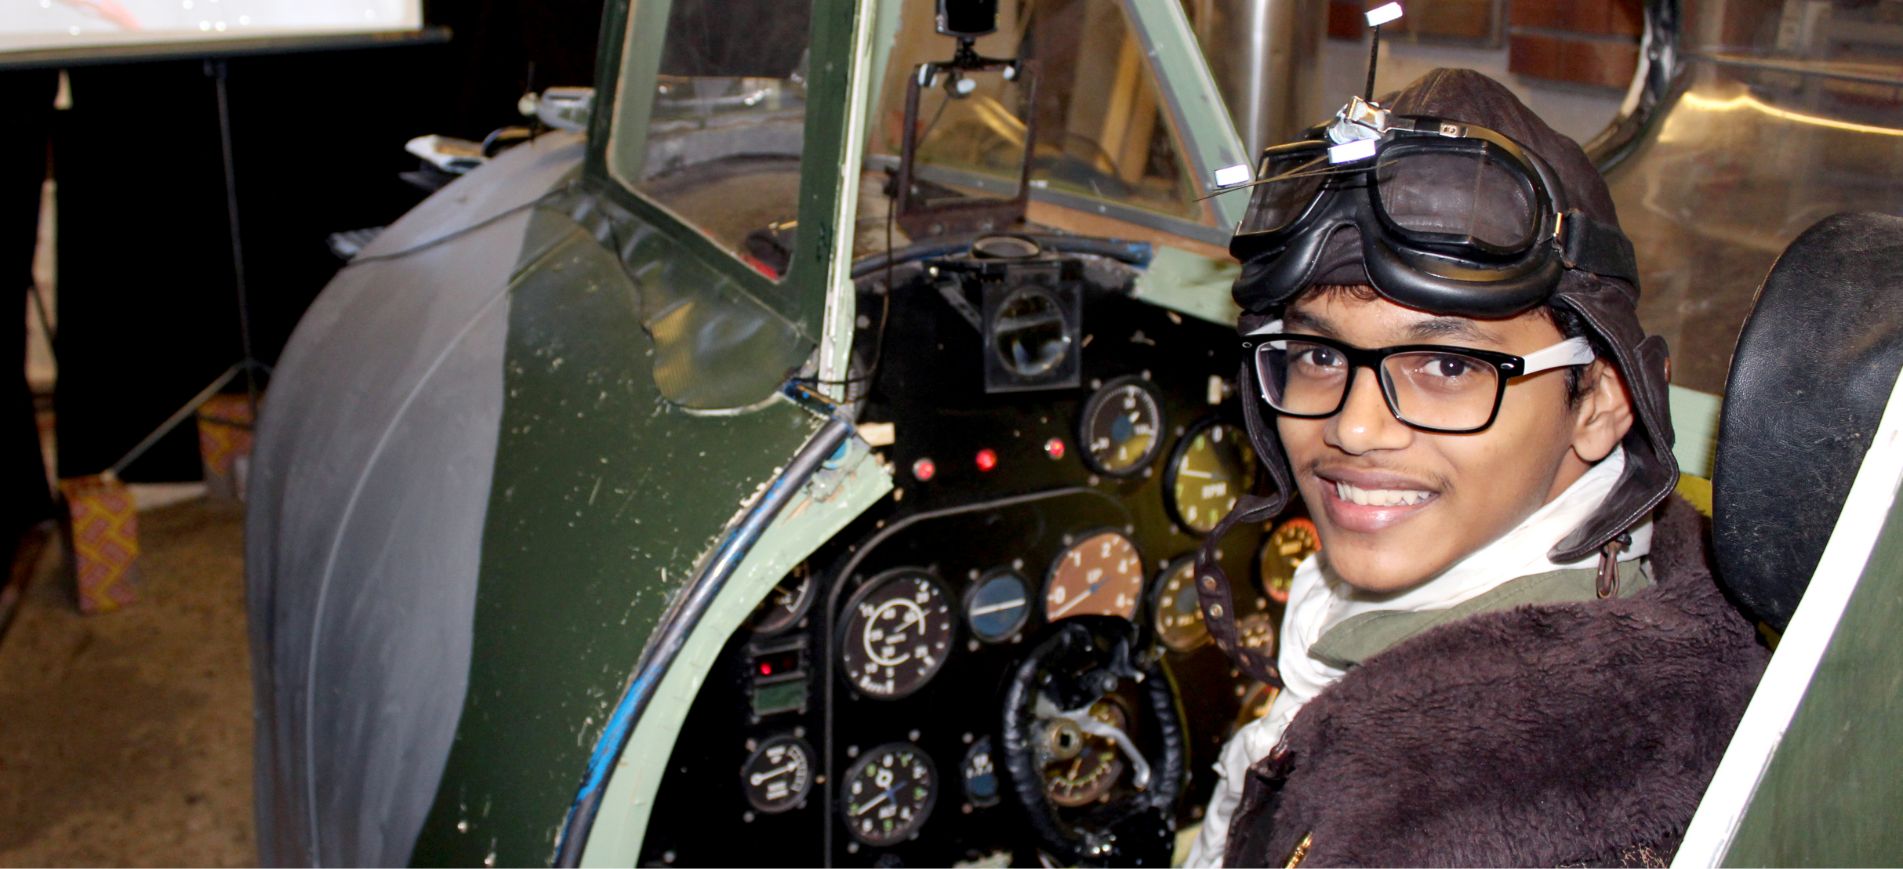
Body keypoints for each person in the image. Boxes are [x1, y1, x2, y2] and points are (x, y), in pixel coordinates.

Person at [1183, 69, 1769, 866]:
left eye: (1449, 367)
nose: (1353, 427)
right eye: (1318, 353)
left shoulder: (1535, 804)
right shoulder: (1639, 574)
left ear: (1599, 402)